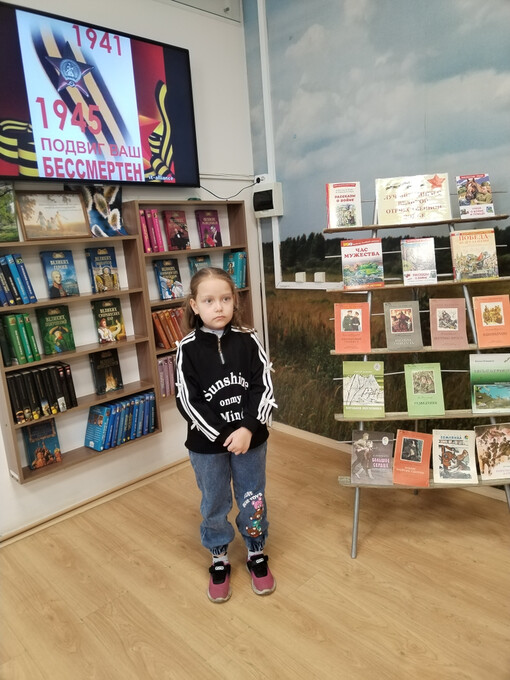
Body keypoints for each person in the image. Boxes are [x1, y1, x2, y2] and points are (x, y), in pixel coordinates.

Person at [175, 267, 277, 603]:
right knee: (215, 500)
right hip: (207, 447)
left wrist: (247, 428)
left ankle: (255, 551)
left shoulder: (249, 339)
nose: (218, 307)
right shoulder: (187, 348)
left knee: (252, 496)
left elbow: (264, 387)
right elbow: (187, 400)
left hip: (251, 440)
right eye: (208, 300)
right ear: (194, 305)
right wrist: (222, 436)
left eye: (225, 299)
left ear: (234, 301)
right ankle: (219, 556)